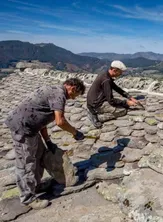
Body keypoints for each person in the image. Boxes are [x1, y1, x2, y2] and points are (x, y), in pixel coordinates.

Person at [4, 78, 86, 210]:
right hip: (23, 128)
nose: (74, 98)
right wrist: (75, 133)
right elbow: (60, 121)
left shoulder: (53, 91)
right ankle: (27, 198)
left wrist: (48, 141)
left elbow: (41, 119)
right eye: (75, 95)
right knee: (26, 163)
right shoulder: (60, 95)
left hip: (31, 127)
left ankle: (35, 186)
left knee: (39, 154)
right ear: (72, 88)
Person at [87, 60, 138, 128]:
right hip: (97, 104)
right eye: (120, 72)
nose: (121, 74)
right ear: (114, 70)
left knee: (122, 105)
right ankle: (97, 117)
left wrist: (129, 97)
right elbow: (111, 101)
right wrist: (126, 102)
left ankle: (94, 112)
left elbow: (116, 88)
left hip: (92, 101)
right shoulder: (106, 80)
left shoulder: (105, 74)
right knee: (122, 111)